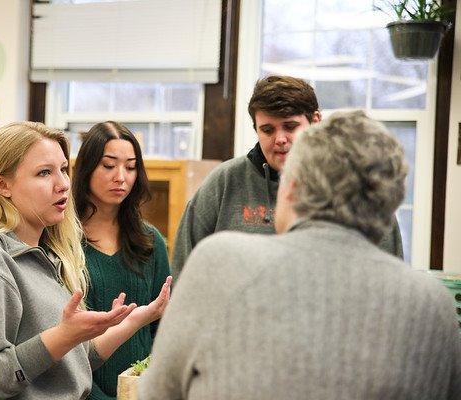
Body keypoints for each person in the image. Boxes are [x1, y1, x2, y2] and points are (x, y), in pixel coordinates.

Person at [139, 111, 461, 400]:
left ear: (290, 188)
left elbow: (157, 394)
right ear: (391, 203)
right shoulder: (432, 306)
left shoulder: (218, 263)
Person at [0, 121, 171, 399]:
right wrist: (63, 336)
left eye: (63, 170)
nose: (63, 184)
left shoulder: (44, 256)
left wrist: (133, 321)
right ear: (2, 185)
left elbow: (72, 366)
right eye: (44, 173)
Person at [171, 75, 404, 276]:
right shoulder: (223, 182)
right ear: (256, 129)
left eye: (290, 127)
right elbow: (184, 268)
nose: (280, 139)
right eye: (267, 130)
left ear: (315, 121)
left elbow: (390, 270)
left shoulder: (353, 183)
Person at [73, 121, 171, 400]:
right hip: (78, 390)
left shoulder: (150, 241)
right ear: (87, 167)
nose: (121, 177)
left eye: (130, 167)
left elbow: (161, 328)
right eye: (108, 165)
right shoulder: (60, 241)